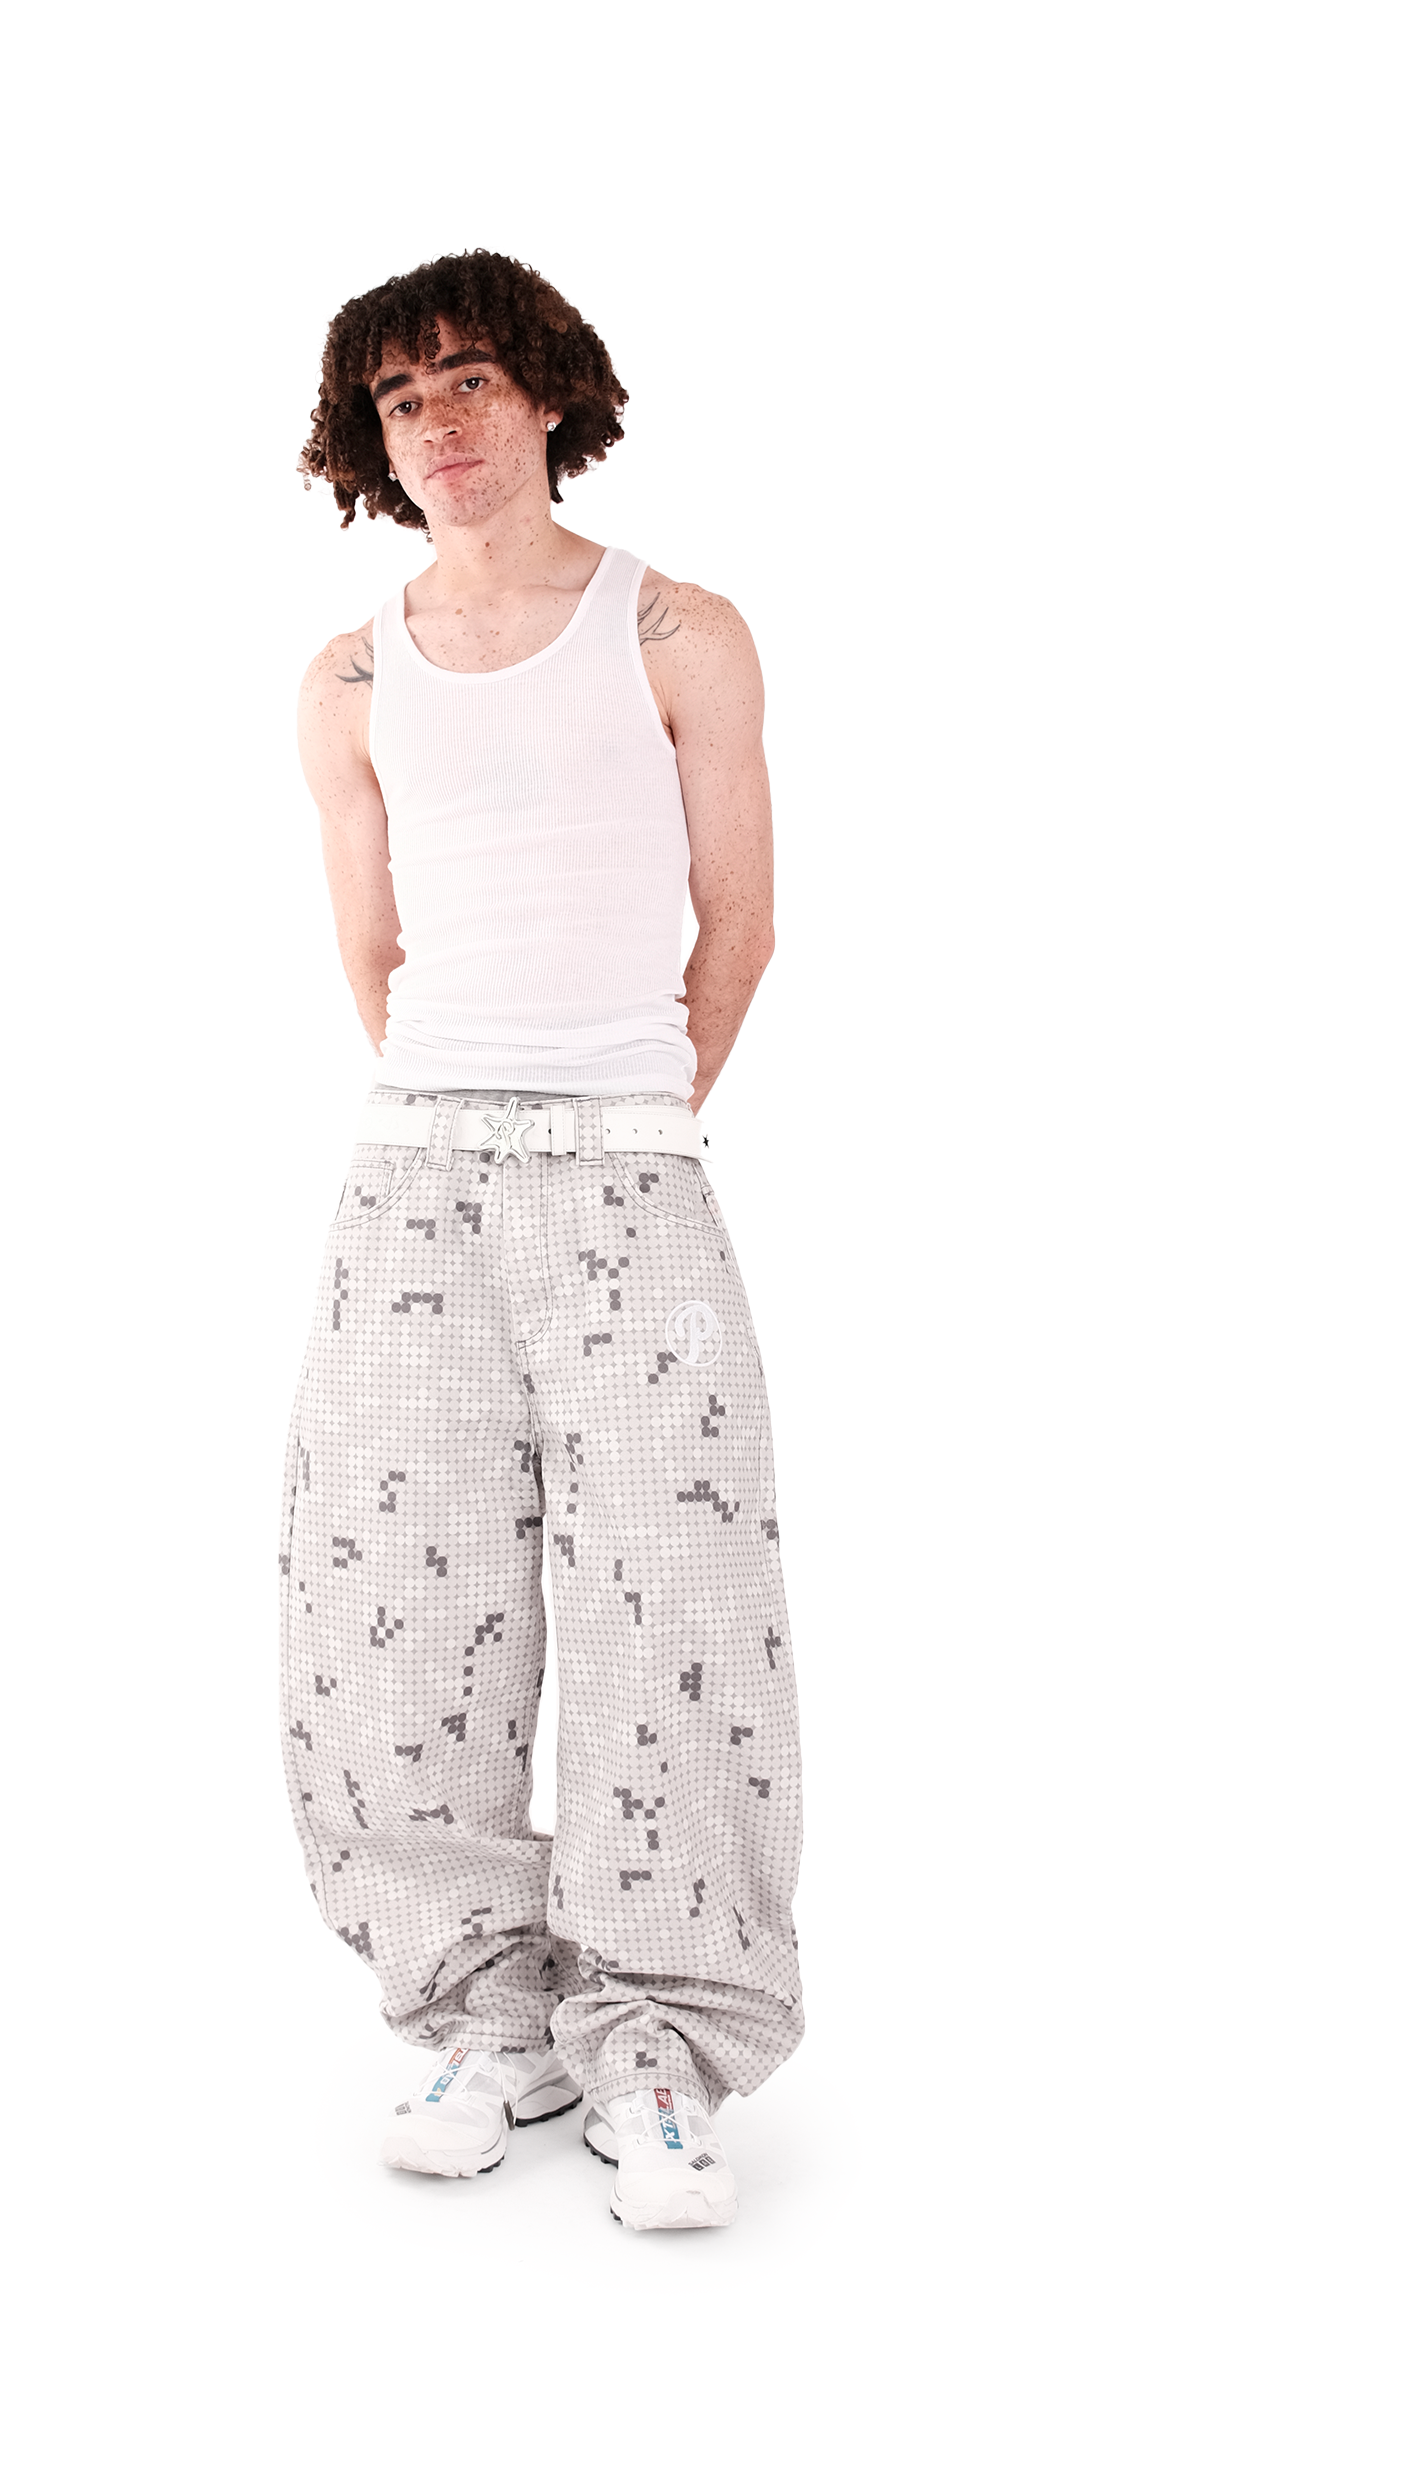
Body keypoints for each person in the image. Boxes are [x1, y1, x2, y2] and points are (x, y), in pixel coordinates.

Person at [281, 250, 801, 2230]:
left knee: (674, 1589)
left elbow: (741, 922)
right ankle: (486, 2017)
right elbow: (374, 949)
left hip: (632, 1171)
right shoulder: (345, 680)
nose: (441, 424)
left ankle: (657, 2046)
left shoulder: (679, 630)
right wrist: (470, 1110)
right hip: (415, 1176)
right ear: (370, 439)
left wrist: (627, 1116)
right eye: (401, 398)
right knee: (392, 1599)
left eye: (473, 381)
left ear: (548, 394)